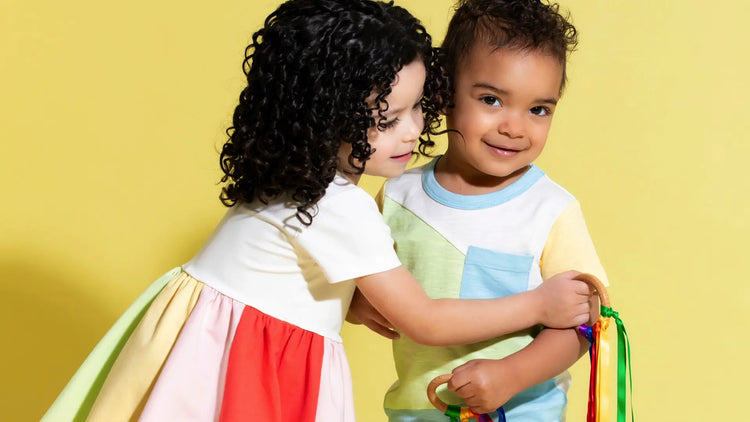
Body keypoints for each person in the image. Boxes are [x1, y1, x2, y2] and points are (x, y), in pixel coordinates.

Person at [42, 0, 594, 421]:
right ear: (325, 112)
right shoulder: (340, 204)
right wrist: (540, 303)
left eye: (415, 109)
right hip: (252, 360)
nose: (414, 131)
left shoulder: (293, 178)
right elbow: (422, 319)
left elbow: (316, 277)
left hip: (215, 345)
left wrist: (356, 305)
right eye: (387, 119)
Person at [363, 0, 609, 420]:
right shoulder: (398, 195)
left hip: (521, 413)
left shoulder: (550, 209)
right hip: (416, 411)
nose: (514, 127)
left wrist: (511, 375)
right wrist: (358, 303)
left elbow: (583, 321)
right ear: (443, 94)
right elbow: (357, 270)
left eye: (538, 110)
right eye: (492, 100)